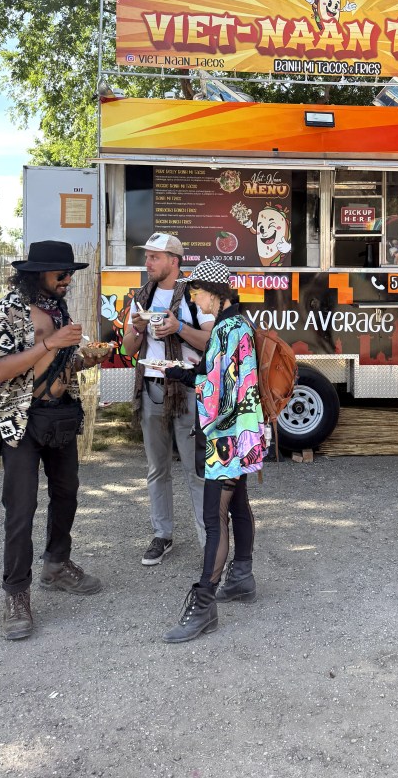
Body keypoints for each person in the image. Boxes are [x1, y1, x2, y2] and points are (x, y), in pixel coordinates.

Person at [0, 240, 103, 641]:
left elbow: (56, 365)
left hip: (61, 416)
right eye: (61, 274)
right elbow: (0, 370)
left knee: (67, 494)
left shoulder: (58, 310)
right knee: (21, 508)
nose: (68, 280)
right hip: (22, 420)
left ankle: (56, 565)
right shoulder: (7, 310)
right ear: (37, 274)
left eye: (70, 274)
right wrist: (51, 342)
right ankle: (16, 594)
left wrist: (84, 358)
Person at [161, 259, 268, 643]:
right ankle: (241, 578)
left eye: (197, 291)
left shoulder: (227, 329)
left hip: (226, 438)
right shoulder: (237, 324)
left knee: (213, 517)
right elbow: (219, 376)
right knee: (236, 504)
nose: (194, 298)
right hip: (241, 434)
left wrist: (187, 377)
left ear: (216, 292)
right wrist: (185, 372)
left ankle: (204, 603)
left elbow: (220, 393)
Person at [121, 233, 214, 564]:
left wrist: (178, 328)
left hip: (188, 389)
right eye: (146, 256)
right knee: (157, 469)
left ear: (174, 261)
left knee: (195, 470)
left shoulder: (195, 294)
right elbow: (128, 349)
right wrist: (136, 330)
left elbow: (212, 341)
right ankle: (162, 535)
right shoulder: (140, 297)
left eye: (154, 257)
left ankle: (210, 542)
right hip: (151, 388)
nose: (147, 263)